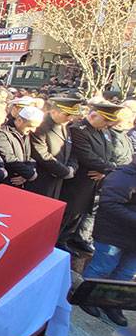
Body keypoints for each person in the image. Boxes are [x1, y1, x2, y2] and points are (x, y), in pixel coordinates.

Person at [58, 102, 122, 255]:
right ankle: (57, 242)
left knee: (80, 215)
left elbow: (111, 154)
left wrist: (106, 171)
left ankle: (65, 240)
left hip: (95, 182)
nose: (108, 124)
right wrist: (109, 168)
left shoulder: (104, 131)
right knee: (70, 214)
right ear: (94, 115)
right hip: (79, 182)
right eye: (105, 120)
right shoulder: (79, 130)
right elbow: (87, 157)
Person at [79, 156, 136, 327]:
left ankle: (111, 303)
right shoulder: (123, 176)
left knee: (126, 273)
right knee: (103, 267)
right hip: (114, 234)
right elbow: (109, 204)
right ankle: (85, 297)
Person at [28, 97, 83, 199]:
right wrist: (65, 171)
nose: (70, 118)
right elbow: (41, 154)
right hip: (42, 179)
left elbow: (71, 150)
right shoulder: (41, 126)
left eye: (72, 115)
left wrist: (72, 167)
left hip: (58, 179)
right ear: (54, 112)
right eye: (67, 114)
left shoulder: (65, 126)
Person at [0, 106, 43, 189]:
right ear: (19, 120)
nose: (33, 130)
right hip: (8, 182)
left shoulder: (25, 133)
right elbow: (9, 158)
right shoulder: (3, 132)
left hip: (21, 181)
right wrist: (30, 174)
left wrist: (28, 173)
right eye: (31, 126)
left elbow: (30, 156)